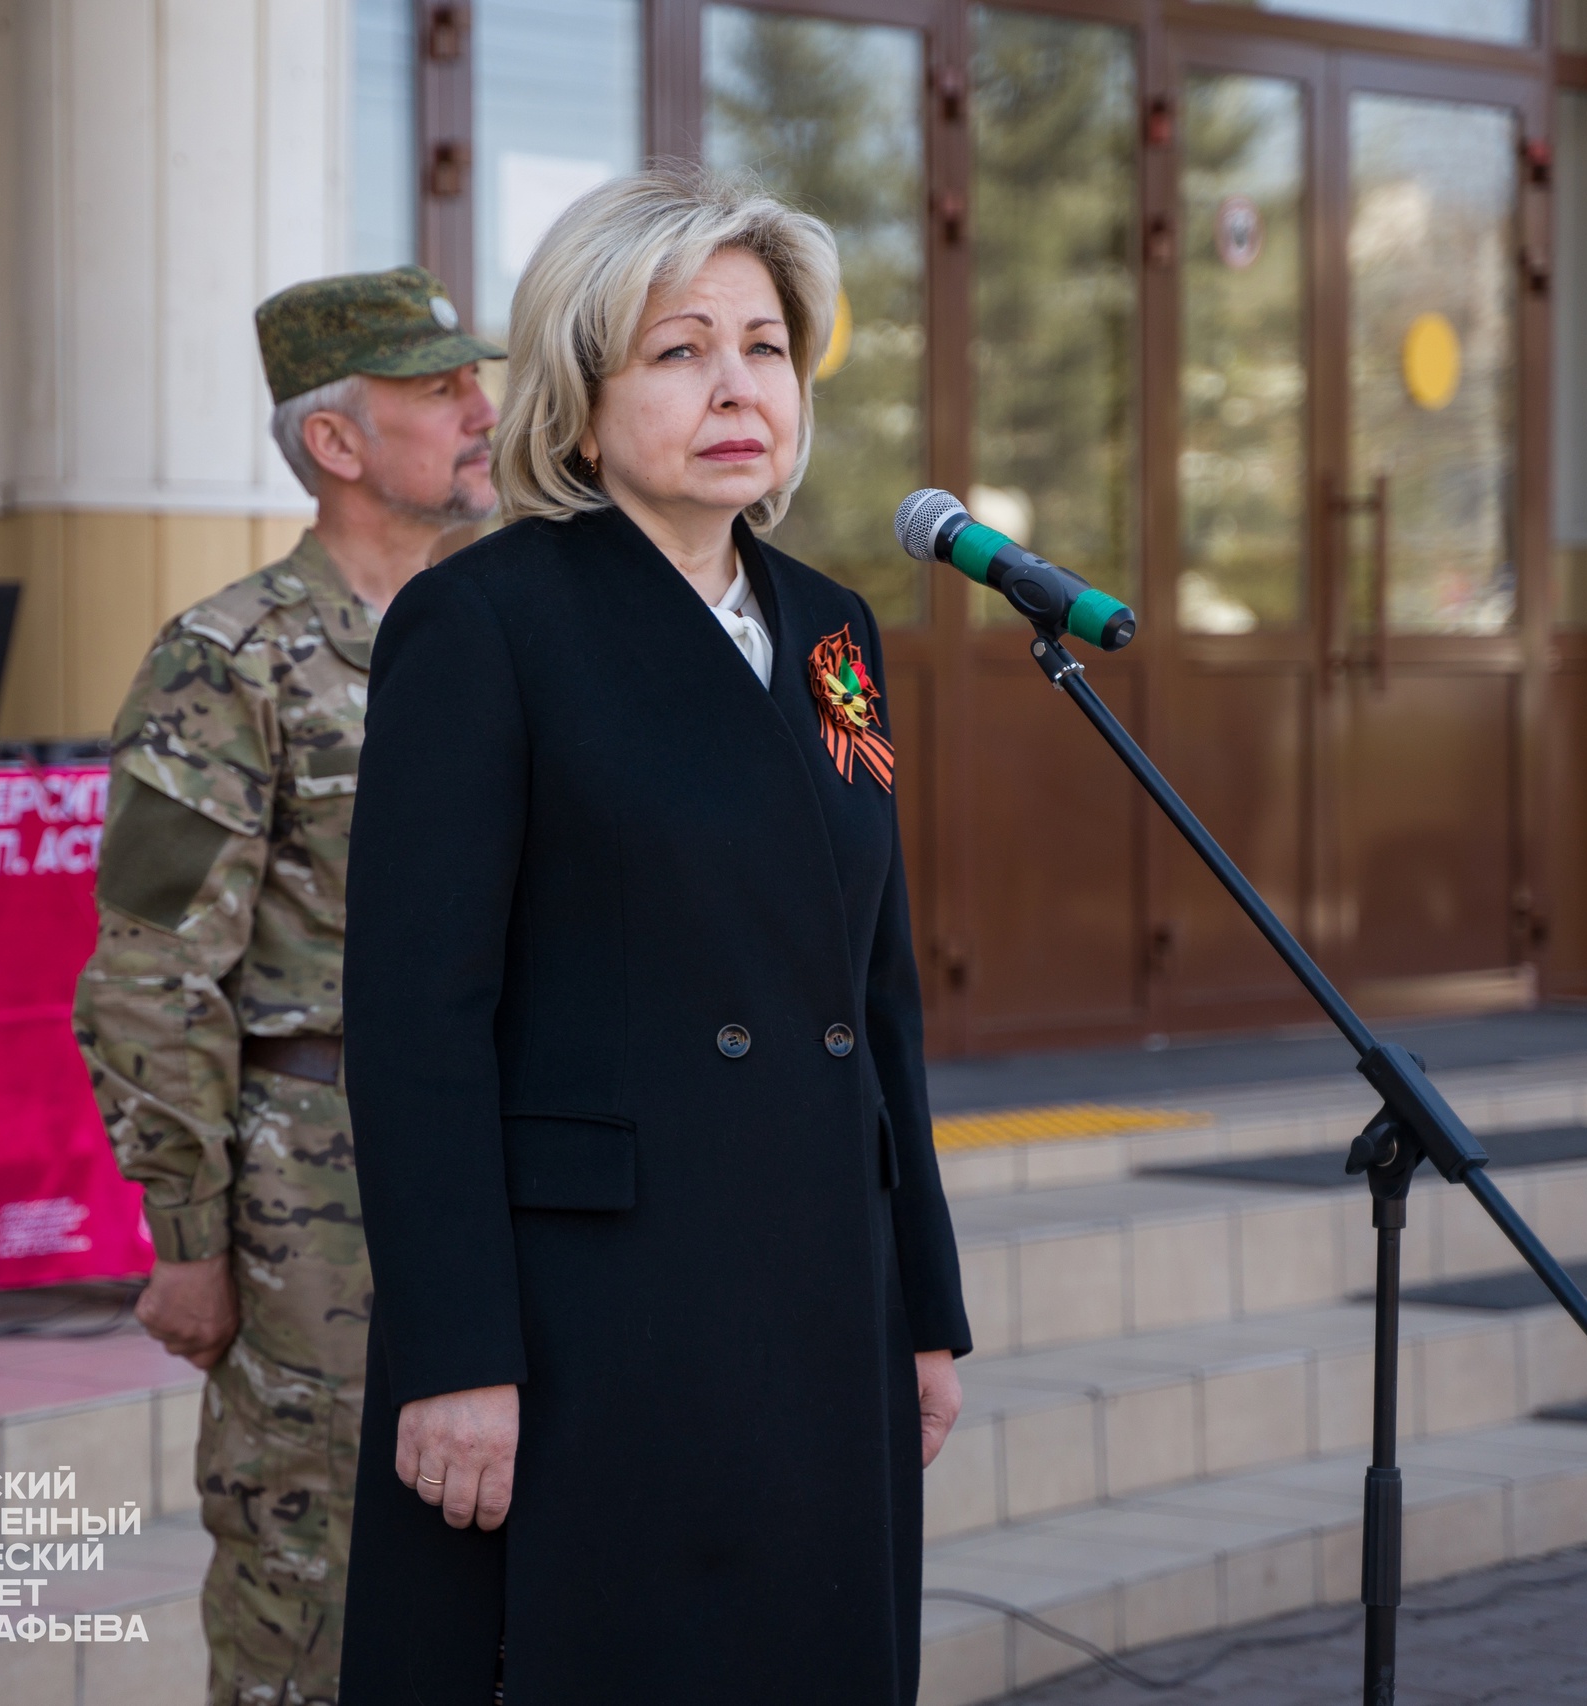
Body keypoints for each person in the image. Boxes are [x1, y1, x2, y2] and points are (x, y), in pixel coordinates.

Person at [336, 165, 971, 1704]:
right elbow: (418, 1018)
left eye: (765, 344)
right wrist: (456, 1348)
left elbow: (872, 990)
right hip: (593, 1311)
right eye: (681, 350)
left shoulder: (830, 630)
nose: (737, 385)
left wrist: (925, 1304)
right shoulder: (487, 620)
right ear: (580, 393)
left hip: (820, 1283)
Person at [74, 264, 502, 1705]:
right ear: (336, 441)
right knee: (307, 1579)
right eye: (437, 388)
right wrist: (187, 1231)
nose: (481, 409)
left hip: (504, 1159)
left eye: (472, 379)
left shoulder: (508, 634)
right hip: (315, 1194)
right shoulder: (225, 662)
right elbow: (149, 963)